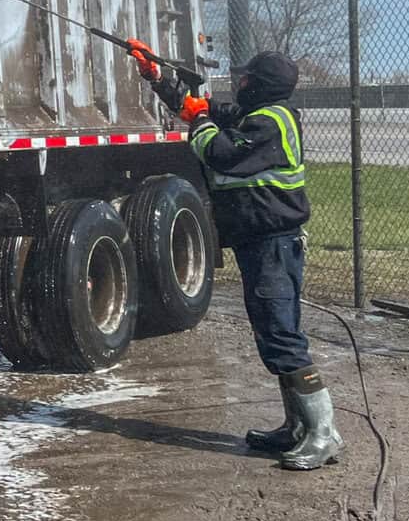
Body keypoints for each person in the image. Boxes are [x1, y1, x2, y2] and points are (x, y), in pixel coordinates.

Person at [126, 41, 341, 471]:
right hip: (258, 243)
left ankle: (323, 434)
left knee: (282, 336)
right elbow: (196, 108)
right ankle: (295, 427)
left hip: (273, 245)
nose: (239, 83)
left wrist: (203, 120)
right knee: (271, 333)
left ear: (258, 85)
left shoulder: (270, 124)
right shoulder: (257, 116)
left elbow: (216, 150)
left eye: (245, 78)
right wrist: (156, 77)